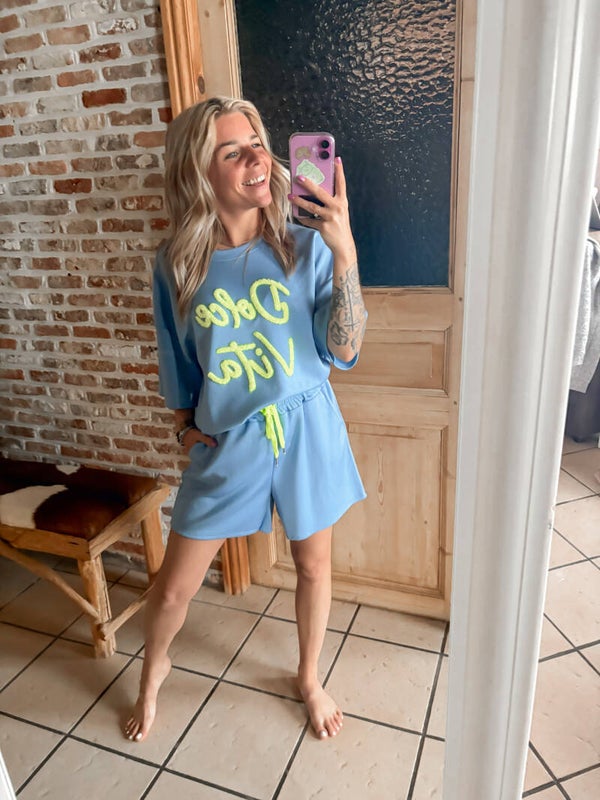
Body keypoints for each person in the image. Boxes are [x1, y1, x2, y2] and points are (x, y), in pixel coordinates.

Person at [124, 96, 367, 744]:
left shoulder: (306, 243)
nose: (257, 158)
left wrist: (344, 253)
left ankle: (309, 677)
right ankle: (153, 669)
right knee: (172, 590)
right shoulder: (177, 262)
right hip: (229, 439)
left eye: (257, 142)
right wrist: (184, 427)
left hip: (307, 426)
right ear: (198, 172)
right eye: (233, 151)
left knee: (313, 566)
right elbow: (177, 359)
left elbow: (344, 349)